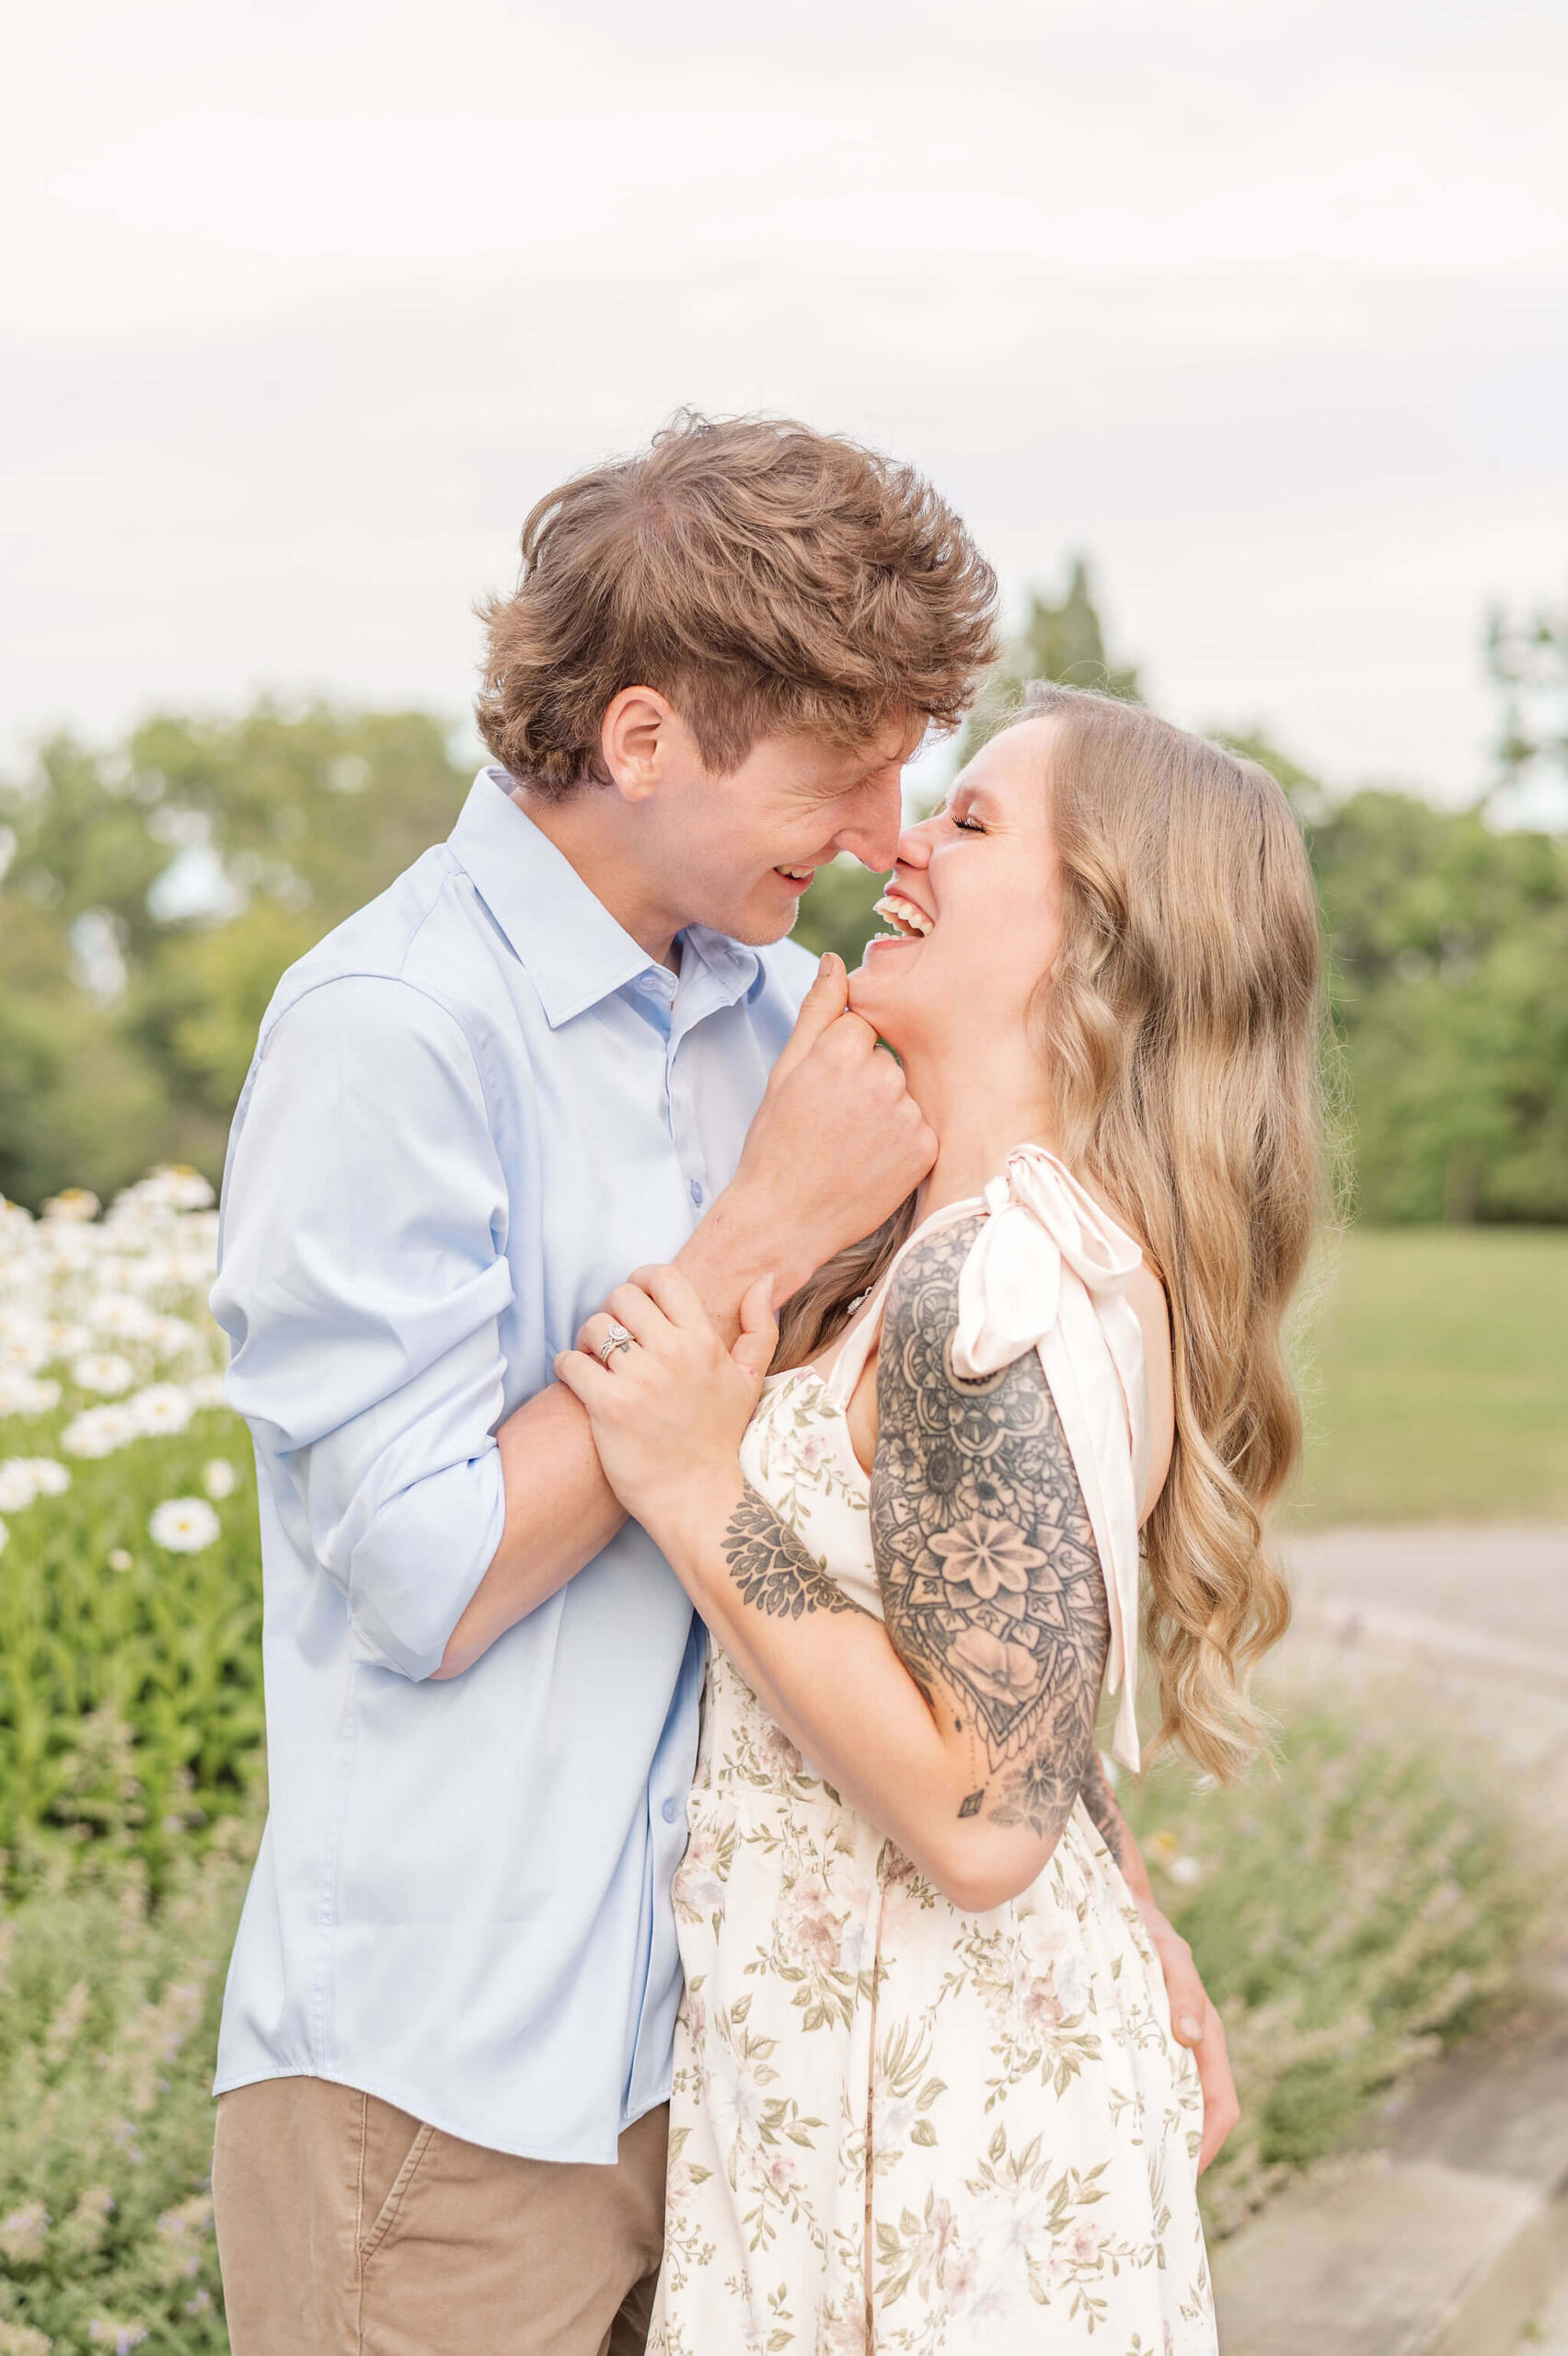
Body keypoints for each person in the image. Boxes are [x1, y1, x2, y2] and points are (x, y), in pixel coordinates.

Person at [557, 683, 1326, 2355]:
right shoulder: (966, 1247)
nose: (902, 840)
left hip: (940, 2179)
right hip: (889, 2123)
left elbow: (983, 1816)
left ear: (1105, 941)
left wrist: (696, 1492)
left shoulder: (998, 1281)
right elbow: (1011, 1695)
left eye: (971, 823)